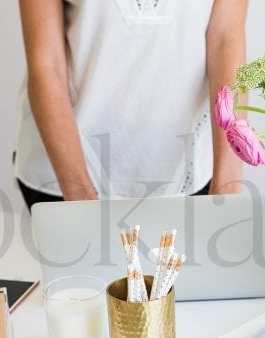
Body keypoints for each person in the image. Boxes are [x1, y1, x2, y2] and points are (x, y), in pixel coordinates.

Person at [15, 0, 247, 210]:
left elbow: (226, 39)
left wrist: (227, 184)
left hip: (189, 170)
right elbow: (46, 65)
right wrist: (82, 204)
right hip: (65, 174)